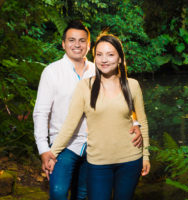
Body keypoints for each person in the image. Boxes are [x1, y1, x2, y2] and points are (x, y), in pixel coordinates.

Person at [33, 21, 143, 200]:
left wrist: (135, 122)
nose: (77, 44)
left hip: (95, 145)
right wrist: (44, 149)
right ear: (63, 44)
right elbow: (41, 113)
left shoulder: (99, 67)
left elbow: (121, 99)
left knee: (83, 194)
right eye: (71, 40)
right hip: (65, 146)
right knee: (59, 192)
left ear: (89, 44)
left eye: (82, 40)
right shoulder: (51, 72)